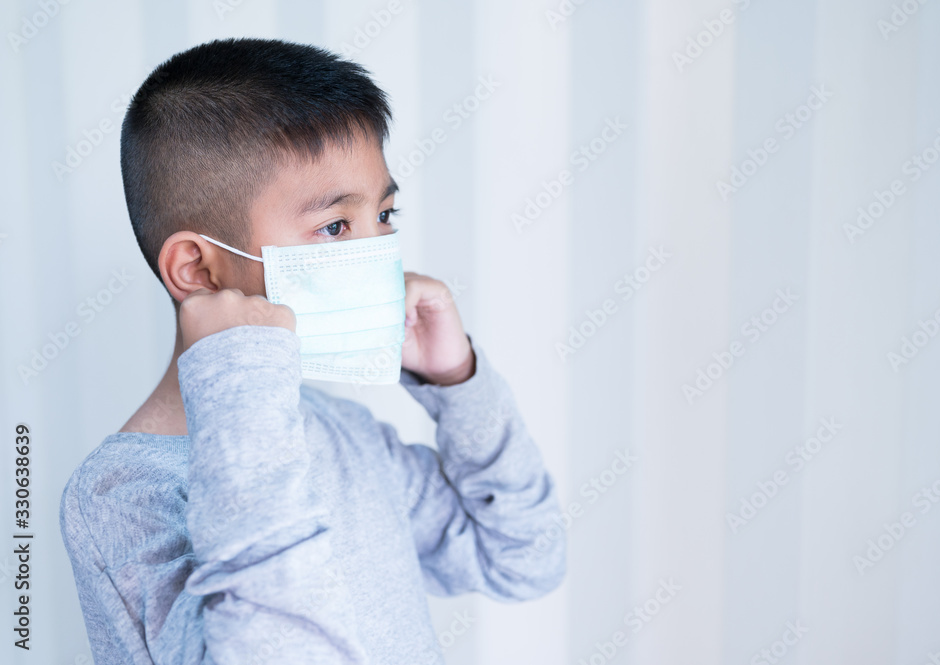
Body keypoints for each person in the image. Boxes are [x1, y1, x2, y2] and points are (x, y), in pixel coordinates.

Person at [59, 37, 566, 664]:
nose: (379, 251)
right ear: (198, 269)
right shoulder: (122, 494)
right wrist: (240, 379)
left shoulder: (339, 430)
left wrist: (458, 384)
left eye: (385, 214)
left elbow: (524, 557)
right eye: (334, 227)